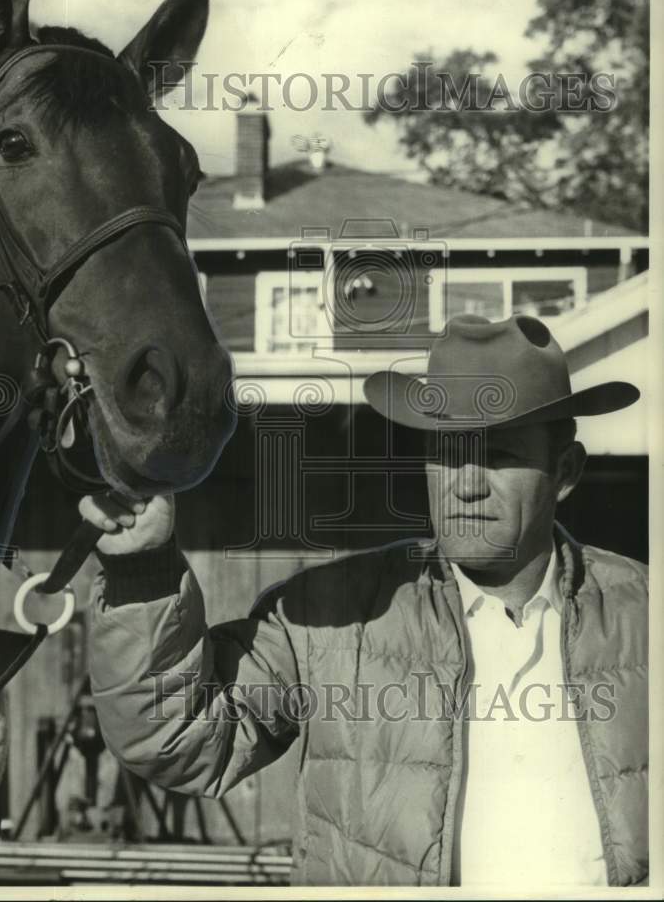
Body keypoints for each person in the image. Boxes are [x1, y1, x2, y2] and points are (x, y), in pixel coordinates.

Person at [84, 313, 648, 887]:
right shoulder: (334, 615)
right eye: (448, 451)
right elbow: (175, 734)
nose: (466, 482)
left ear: (566, 472)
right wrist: (144, 570)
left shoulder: (646, 617)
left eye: (499, 454)